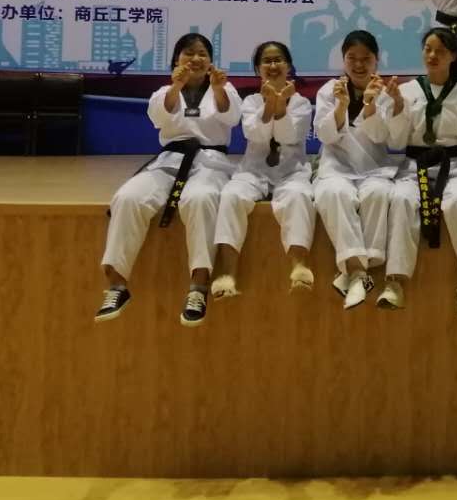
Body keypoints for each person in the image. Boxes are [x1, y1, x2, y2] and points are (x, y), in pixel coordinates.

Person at [95, 32, 237, 327]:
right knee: (128, 197)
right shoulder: (164, 91)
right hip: (170, 159)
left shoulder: (223, 87)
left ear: (211, 61)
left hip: (210, 161)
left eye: (202, 54)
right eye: (189, 53)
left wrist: (218, 89)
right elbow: (160, 117)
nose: (196, 58)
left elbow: (231, 117)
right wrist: (176, 86)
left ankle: (198, 286)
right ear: (176, 60)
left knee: (200, 199)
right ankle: (117, 285)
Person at [382, 27, 457, 316]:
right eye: (428, 49)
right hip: (414, 166)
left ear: (453, 56)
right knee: (401, 199)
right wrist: (398, 107)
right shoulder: (407, 90)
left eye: (440, 51)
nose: (432, 55)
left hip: (454, 168)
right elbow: (396, 140)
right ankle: (394, 282)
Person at [211, 41, 317, 298]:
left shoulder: (301, 103)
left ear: (288, 66)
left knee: (299, 196)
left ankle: (299, 266)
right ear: (258, 68)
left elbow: (289, 136)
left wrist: (281, 106)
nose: (273, 65)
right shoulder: (250, 101)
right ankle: (228, 273)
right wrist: (270, 104)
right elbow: (255, 134)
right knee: (231, 195)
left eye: (278, 59)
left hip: (291, 172)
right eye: (266, 61)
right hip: (253, 171)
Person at [313, 30, 399, 309]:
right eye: (352, 58)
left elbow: (381, 136)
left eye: (366, 58)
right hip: (336, 168)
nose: (359, 65)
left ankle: (353, 274)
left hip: (374, 168)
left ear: (376, 60)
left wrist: (370, 104)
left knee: (378, 193)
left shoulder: (384, 92)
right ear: (343, 59)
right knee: (333, 193)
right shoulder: (330, 90)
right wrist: (341, 106)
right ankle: (359, 273)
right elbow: (325, 135)